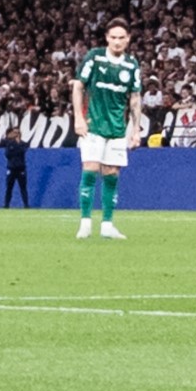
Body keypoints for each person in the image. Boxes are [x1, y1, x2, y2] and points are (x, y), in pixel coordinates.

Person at [73, 19, 142, 239]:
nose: (117, 42)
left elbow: (134, 98)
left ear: (128, 39)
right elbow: (78, 86)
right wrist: (78, 118)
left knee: (112, 174)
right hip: (93, 125)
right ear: (107, 38)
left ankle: (107, 225)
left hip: (117, 129)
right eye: (113, 37)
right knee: (90, 169)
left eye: (121, 38)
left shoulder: (131, 65)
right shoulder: (95, 57)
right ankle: (85, 223)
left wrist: (136, 130)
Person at [1, 126, 29, 208]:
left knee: (23, 188)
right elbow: (7, 154)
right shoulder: (9, 143)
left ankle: (26, 205)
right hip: (11, 168)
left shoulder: (23, 144)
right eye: (15, 132)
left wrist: (17, 145)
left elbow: (22, 151)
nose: (16, 134)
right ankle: (6, 204)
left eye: (17, 132)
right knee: (9, 187)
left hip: (21, 168)